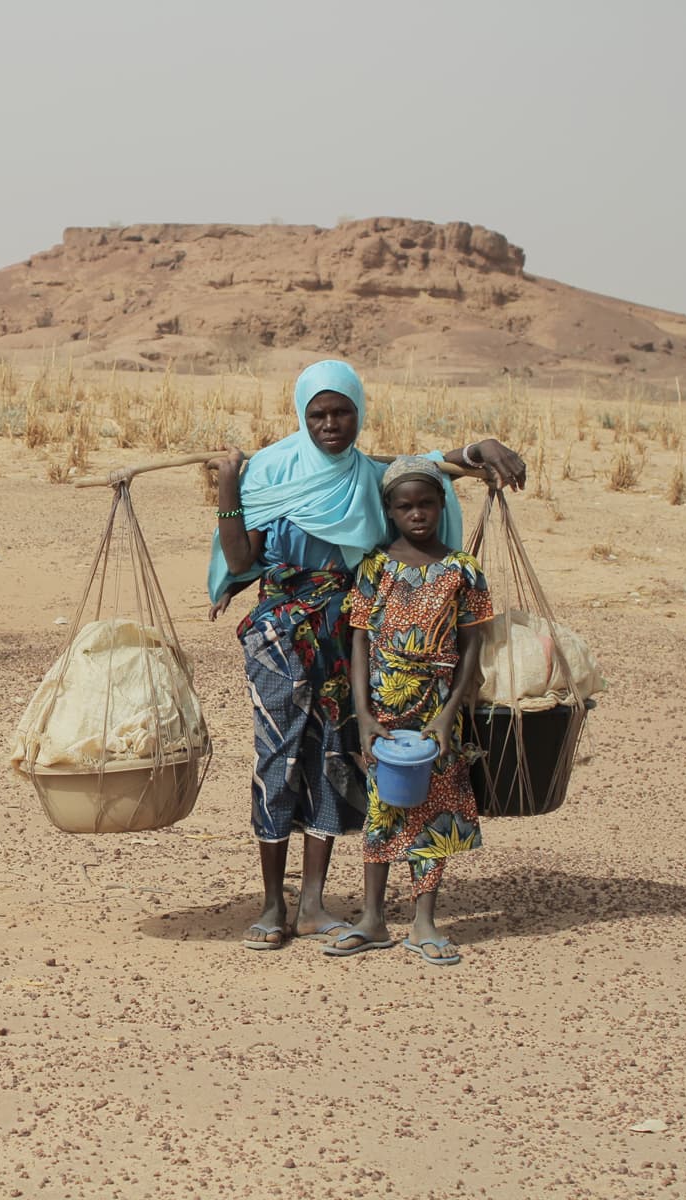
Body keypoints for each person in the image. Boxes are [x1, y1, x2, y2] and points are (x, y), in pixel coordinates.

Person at [206, 360, 523, 953]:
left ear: (359, 411)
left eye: (341, 411)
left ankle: (312, 903)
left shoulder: (365, 475)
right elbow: (242, 558)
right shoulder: (272, 471)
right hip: (280, 633)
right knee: (276, 757)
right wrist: (228, 488)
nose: (330, 424)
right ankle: (273, 903)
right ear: (302, 414)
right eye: (318, 414)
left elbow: (430, 467)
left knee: (335, 756)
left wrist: (479, 447)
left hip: (348, 630)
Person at [341, 456, 494, 965]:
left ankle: (424, 920)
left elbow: (473, 644)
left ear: (441, 504)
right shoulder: (375, 567)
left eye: (427, 503)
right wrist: (363, 713)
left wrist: (450, 713)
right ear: (389, 510)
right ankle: (372, 917)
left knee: (434, 808)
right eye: (405, 506)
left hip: (436, 709)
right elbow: (360, 642)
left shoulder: (462, 570)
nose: (418, 514)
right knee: (383, 807)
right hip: (383, 709)